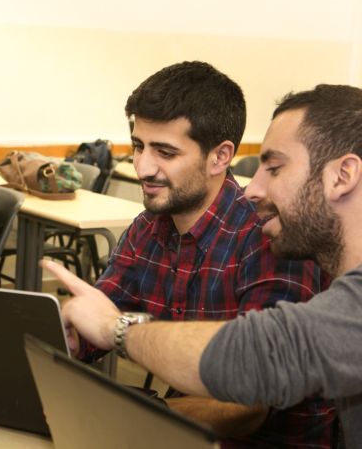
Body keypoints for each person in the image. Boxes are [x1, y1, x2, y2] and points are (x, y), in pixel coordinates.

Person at [45, 84, 362, 446]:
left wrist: (115, 330)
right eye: (138, 147)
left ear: (343, 176)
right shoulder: (150, 228)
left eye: (273, 168)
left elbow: (256, 368)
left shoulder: (274, 238)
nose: (252, 189)